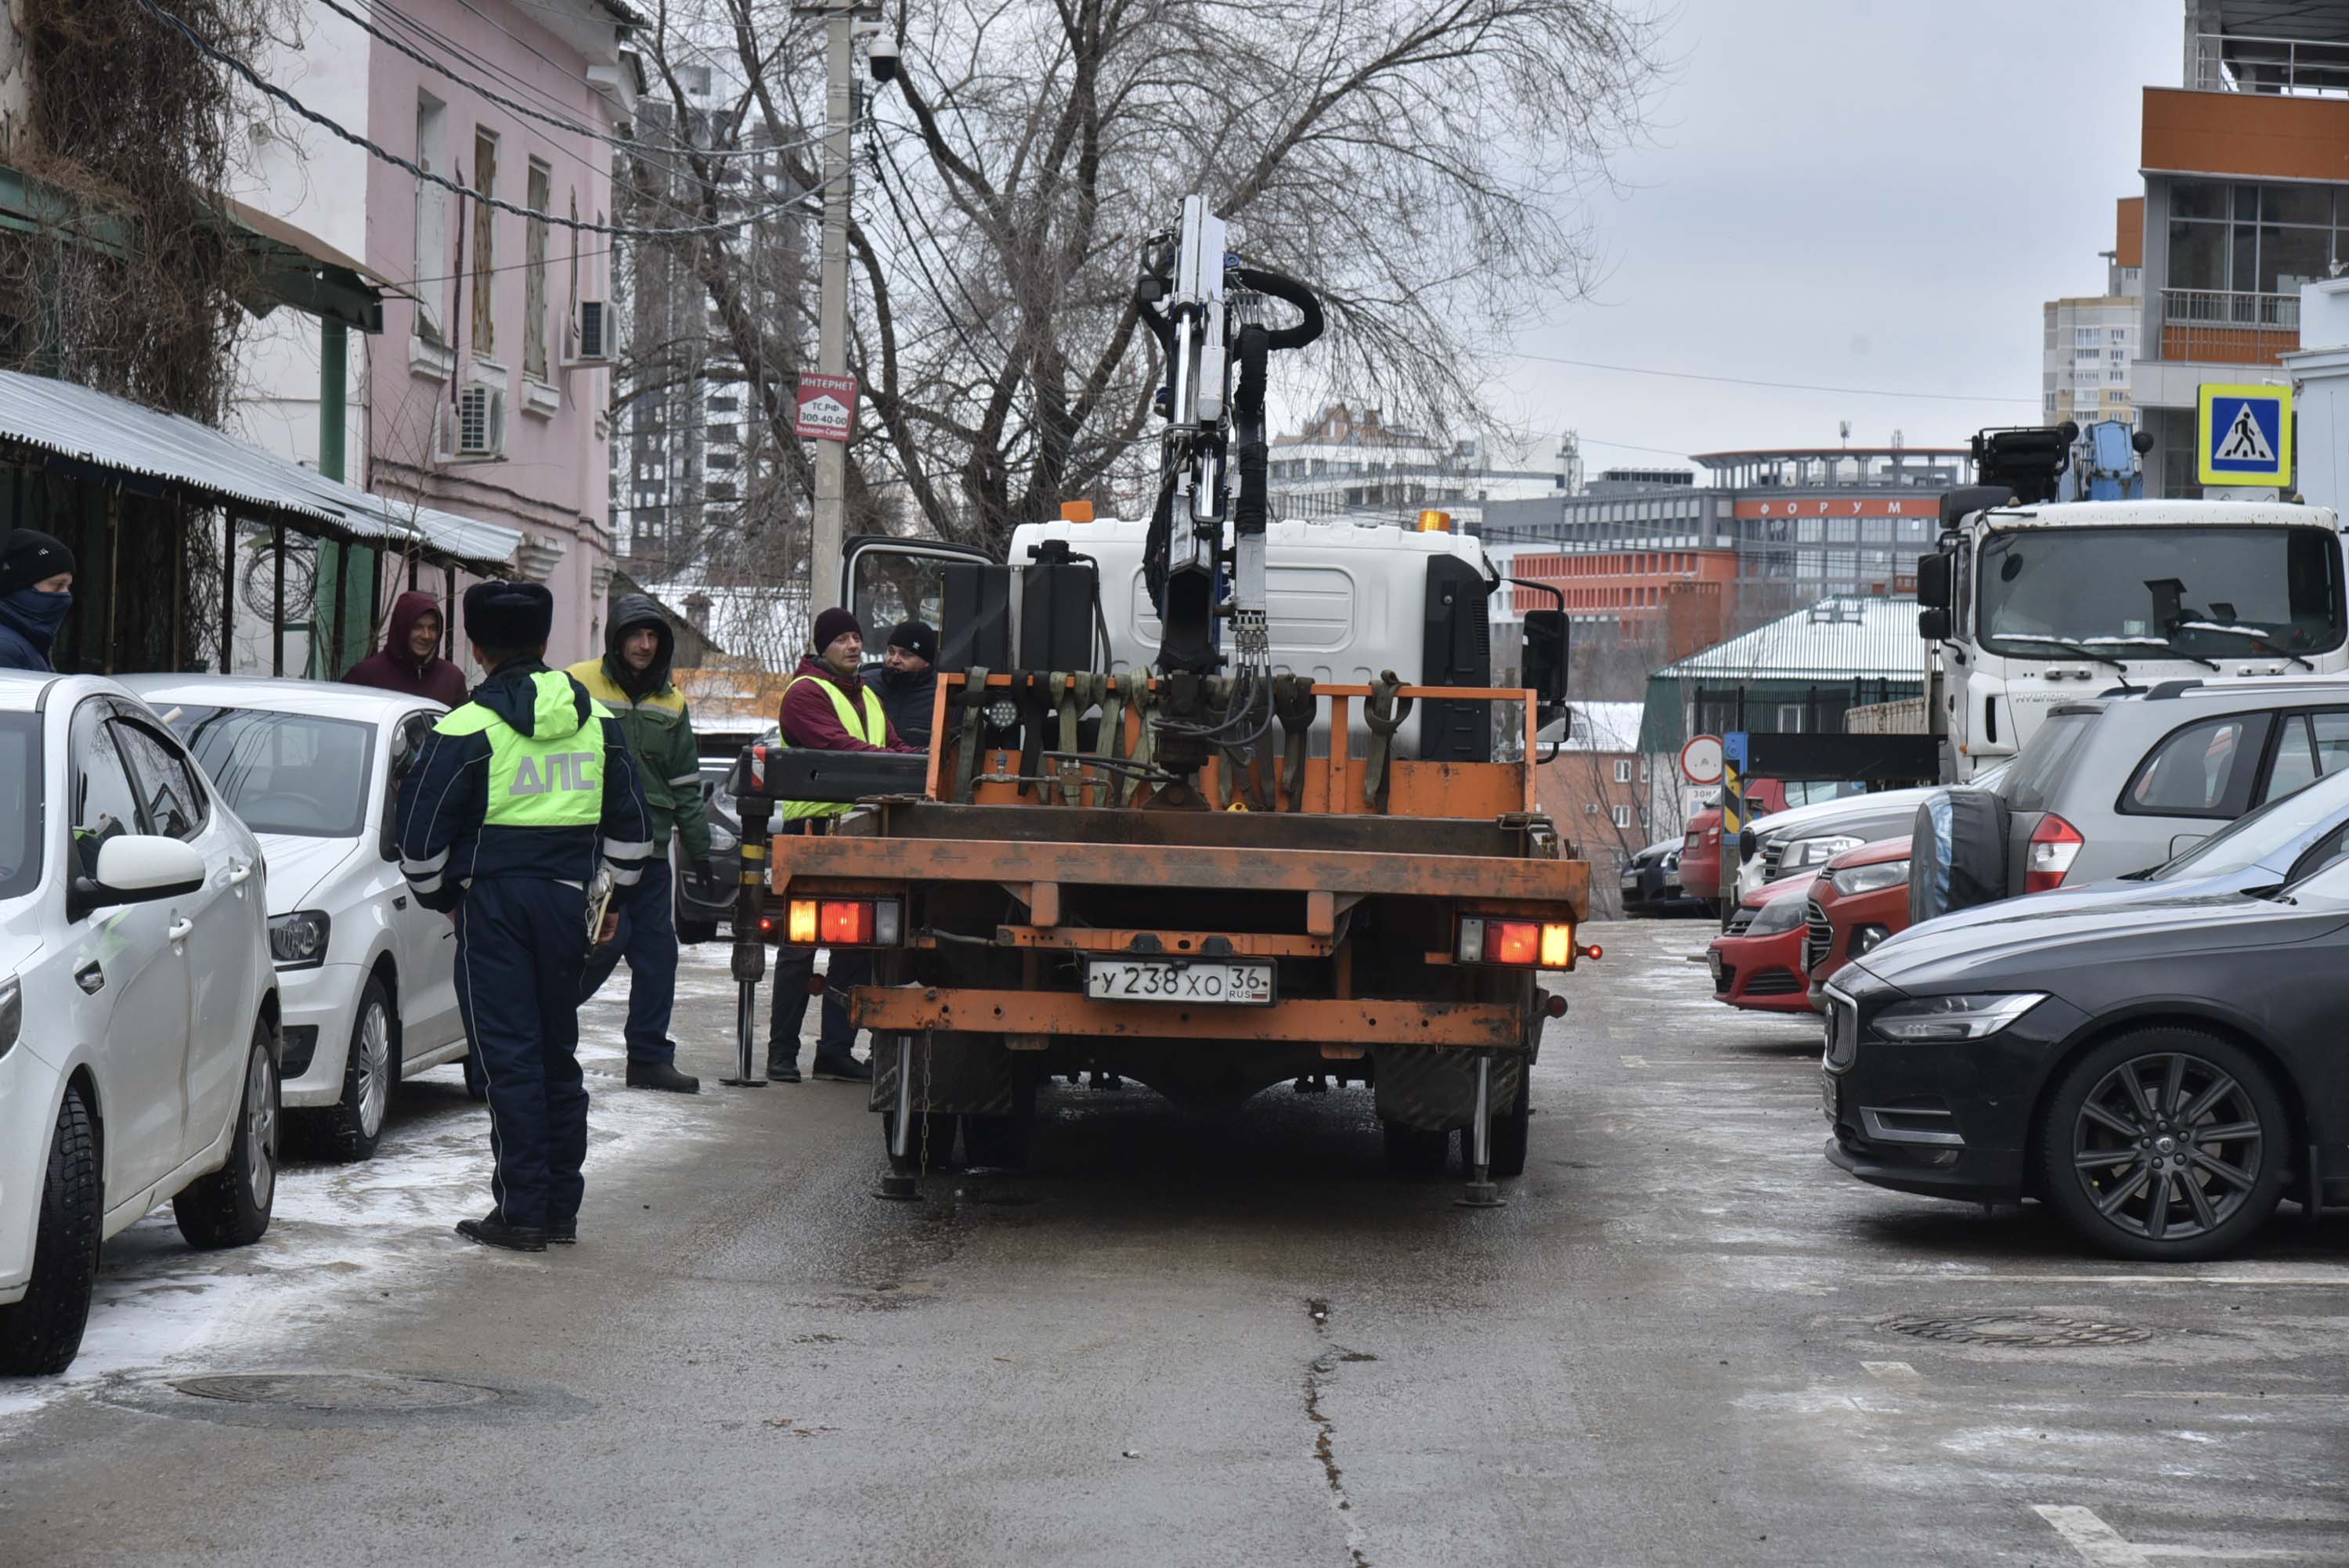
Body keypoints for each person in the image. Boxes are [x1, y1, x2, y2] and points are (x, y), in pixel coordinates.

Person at [395, 581, 653, 1253]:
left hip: (495, 907)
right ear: (544, 645)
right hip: (570, 901)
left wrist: (446, 896)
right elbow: (634, 836)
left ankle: (522, 1213)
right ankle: (560, 1210)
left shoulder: (463, 727)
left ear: (477, 650)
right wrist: (608, 899)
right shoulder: (600, 723)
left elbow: (418, 846)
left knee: (510, 1058)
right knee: (555, 1054)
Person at [766, 606, 922, 1085]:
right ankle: (781, 1053)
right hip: (813, 834)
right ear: (822, 647)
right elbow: (838, 747)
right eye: (842, 639)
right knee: (800, 947)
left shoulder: (868, 695)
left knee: (855, 949)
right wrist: (899, 764)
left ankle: (834, 1051)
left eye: (856, 637)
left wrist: (920, 759)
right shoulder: (804, 693)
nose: (853, 646)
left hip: (858, 834)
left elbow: (891, 744)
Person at [568, 595, 714, 1094]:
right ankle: (544, 1034)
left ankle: (649, 1058)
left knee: (659, 957)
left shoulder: (671, 702)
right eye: (636, 634)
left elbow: (685, 785)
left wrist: (702, 849)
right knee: (595, 950)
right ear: (615, 637)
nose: (645, 645)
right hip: (594, 851)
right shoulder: (578, 683)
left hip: (651, 855)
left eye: (653, 637)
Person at [344, 589, 469, 705]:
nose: (426, 636)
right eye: (417, 627)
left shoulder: (451, 680)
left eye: (432, 628)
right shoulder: (365, 677)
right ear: (401, 628)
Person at [0, 529, 75, 672]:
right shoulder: (6, 648)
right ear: (21, 587)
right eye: (57, 585)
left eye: (68, 586)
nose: (66, 596)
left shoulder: (30, 641)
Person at [870, 619, 939, 748]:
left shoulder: (942, 696)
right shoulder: (865, 685)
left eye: (906, 655)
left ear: (926, 662)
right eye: (891, 652)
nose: (895, 660)